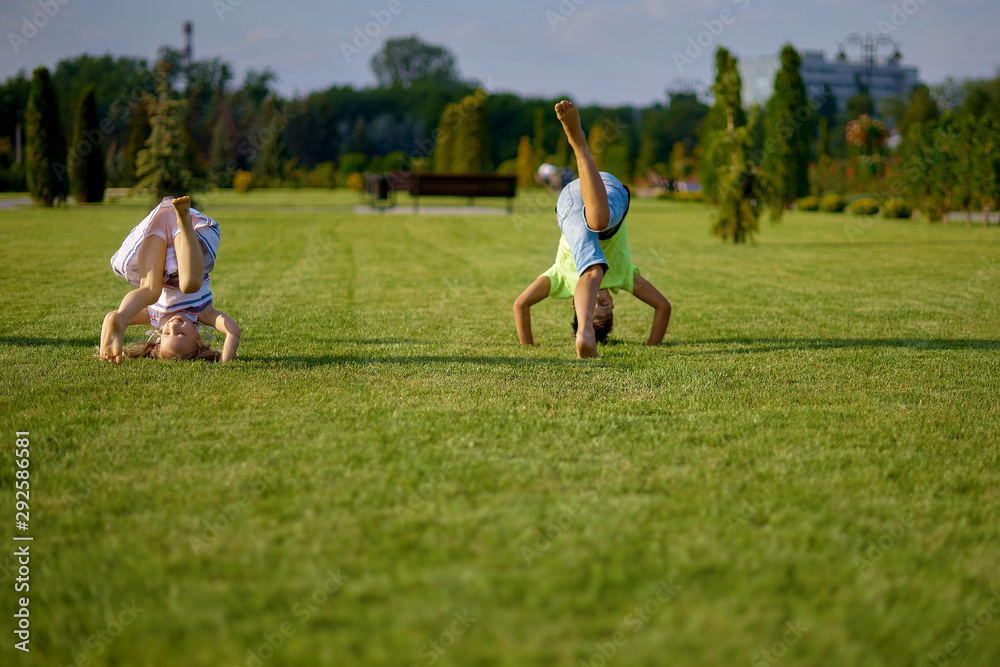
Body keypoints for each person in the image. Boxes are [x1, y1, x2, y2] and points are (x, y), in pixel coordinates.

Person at [513, 101, 671, 359]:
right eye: (605, 304)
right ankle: (579, 143)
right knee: (599, 225)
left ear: (576, 303)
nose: (599, 298)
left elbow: (521, 304)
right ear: (614, 302)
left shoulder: (560, 280)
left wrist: (527, 347)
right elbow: (663, 307)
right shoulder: (623, 277)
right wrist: (652, 347)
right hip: (607, 190)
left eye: (592, 305)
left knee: (592, 248)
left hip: (570, 204)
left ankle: (578, 143)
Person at [99, 196, 241, 363]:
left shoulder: (155, 317)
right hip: (183, 236)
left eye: (166, 333)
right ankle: (184, 222)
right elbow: (232, 331)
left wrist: (107, 345)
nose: (173, 326)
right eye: (181, 333)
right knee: (189, 285)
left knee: (149, 290)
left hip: (157, 227)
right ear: (198, 339)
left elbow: (111, 316)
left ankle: (123, 318)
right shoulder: (201, 312)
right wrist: (224, 361)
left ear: (158, 340)